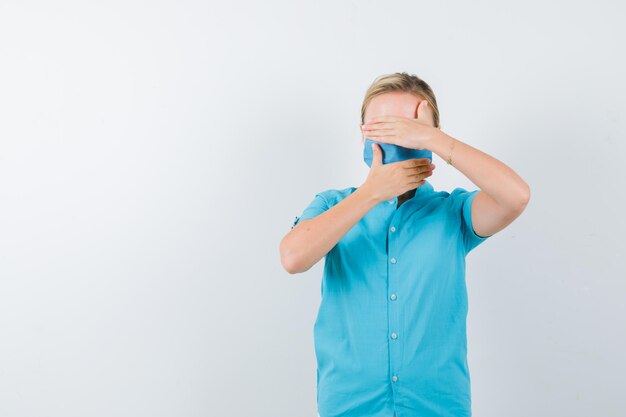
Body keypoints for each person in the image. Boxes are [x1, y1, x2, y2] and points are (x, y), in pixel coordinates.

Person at [279, 72, 530, 417]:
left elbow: (516, 197)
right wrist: (372, 193)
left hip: (438, 407)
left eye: (404, 129)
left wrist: (434, 138)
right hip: (349, 407)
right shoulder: (331, 204)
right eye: (381, 127)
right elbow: (293, 257)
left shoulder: (452, 213)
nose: (393, 138)